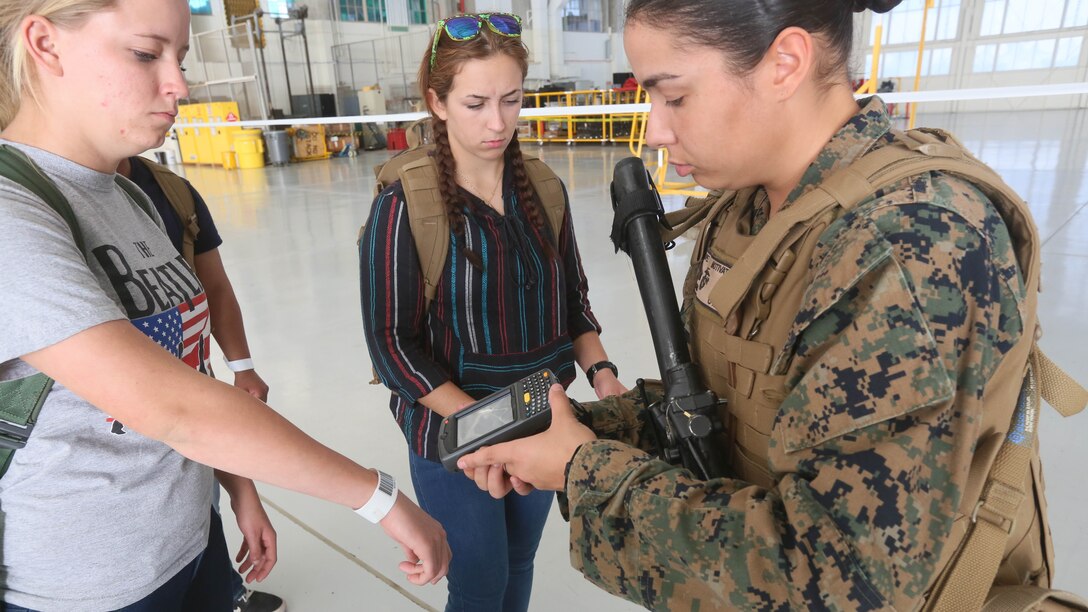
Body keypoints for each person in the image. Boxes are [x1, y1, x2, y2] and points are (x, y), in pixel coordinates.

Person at [457, 0, 1087, 610]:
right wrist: (584, 432)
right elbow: (726, 410)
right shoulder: (752, 208)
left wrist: (585, 471)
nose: (656, 128)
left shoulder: (908, 247)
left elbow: (840, 584)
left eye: (674, 96)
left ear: (785, 61)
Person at [0, 1, 450, 610]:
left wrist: (240, 490)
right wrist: (379, 498)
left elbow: (188, 369)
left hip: (190, 541)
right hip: (93, 583)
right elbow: (175, 408)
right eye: (144, 53)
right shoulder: (13, 211)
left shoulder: (129, 196)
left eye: (180, 57)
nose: (179, 85)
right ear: (45, 44)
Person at [358, 12, 626, 612]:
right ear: (438, 102)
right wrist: (484, 424)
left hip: (541, 420)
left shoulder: (544, 190)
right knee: (479, 581)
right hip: (457, 438)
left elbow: (573, 303)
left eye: (511, 100)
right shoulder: (408, 205)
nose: (497, 122)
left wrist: (603, 376)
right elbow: (391, 344)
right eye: (476, 103)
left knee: (519, 562)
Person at [118, 155, 283, 612]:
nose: (176, 88)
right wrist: (377, 500)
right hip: (104, 561)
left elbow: (214, 286)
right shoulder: (29, 208)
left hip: (194, 423)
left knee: (197, 512)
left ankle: (226, 587)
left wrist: (241, 366)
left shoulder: (170, 192)